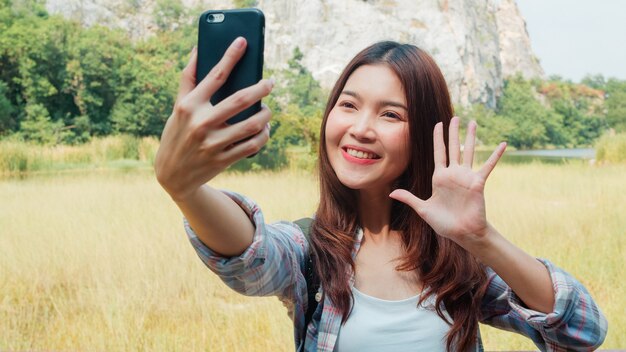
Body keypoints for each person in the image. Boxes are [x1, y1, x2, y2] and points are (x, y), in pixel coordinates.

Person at [154, 39, 608, 352]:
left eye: (391, 114)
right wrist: (186, 189)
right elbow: (251, 260)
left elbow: (583, 331)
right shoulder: (309, 250)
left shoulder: (459, 260)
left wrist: (482, 238)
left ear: (424, 134)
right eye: (348, 105)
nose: (360, 128)